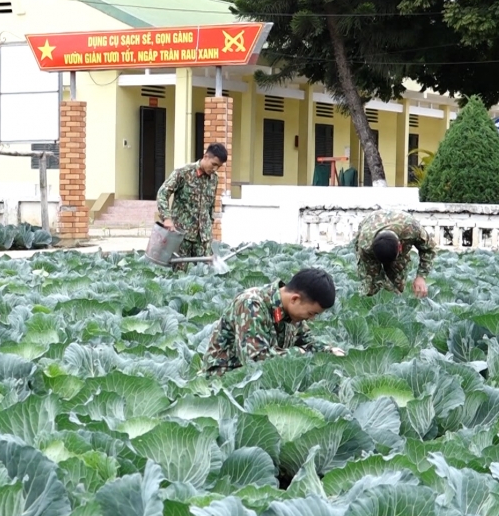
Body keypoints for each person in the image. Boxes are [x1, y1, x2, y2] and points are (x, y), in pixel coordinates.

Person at [200, 268, 345, 376]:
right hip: (223, 380)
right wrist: (297, 352)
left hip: (258, 379)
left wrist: (329, 351)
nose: (311, 318)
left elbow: (306, 341)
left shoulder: (292, 313)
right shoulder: (251, 304)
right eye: (311, 313)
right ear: (295, 299)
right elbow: (255, 359)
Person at [156, 143, 228, 271]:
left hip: (203, 239)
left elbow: (210, 206)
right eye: (214, 164)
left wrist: (209, 228)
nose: (215, 169)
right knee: (179, 274)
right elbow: (162, 194)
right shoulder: (183, 173)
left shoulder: (214, 179)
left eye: (219, 166)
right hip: (182, 237)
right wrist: (167, 218)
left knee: (204, 274)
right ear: (206, 156)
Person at [353, 209, 436, 298]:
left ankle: (396, 299)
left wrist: (421, 276)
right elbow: (367, 270)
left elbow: (429, 249)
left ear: (400, 247)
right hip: (370, 228)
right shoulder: (365, 244)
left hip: (402, 228)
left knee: (398, 284)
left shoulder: (411, 228)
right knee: (370, 286)